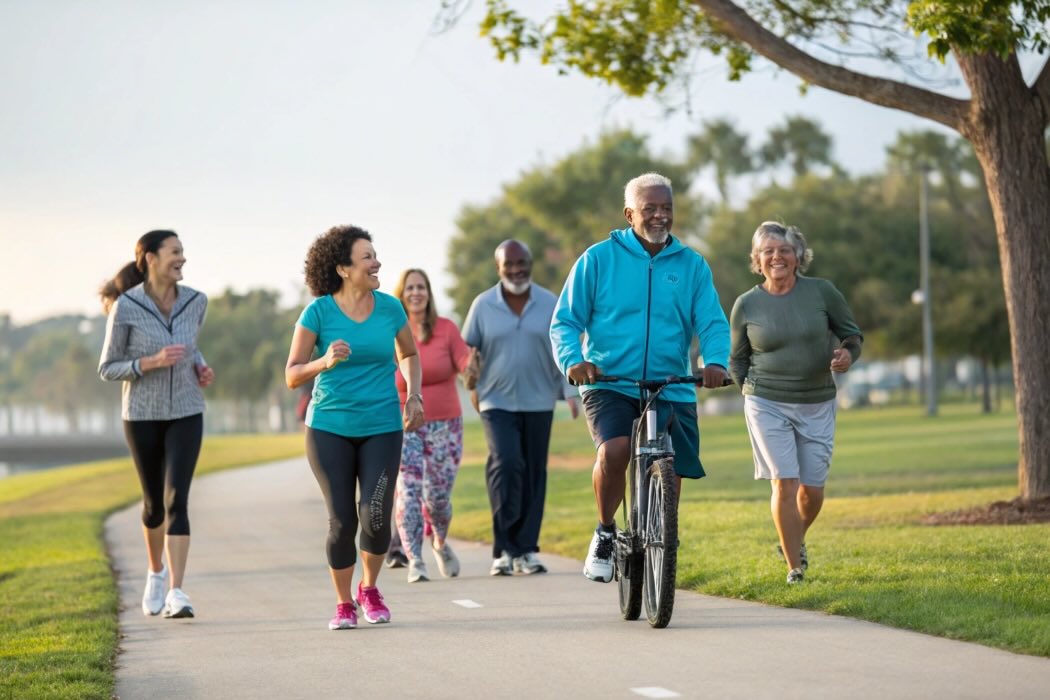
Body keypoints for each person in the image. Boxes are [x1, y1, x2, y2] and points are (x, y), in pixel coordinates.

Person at [550, 172, 730, 584]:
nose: (660, 215)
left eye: (667, 207)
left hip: (672, 382)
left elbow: (712, 321)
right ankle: (605, 531)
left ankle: (664, 538)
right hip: (610, 381)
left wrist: (715, 361)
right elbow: (564, 322)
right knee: (615, 451)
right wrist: (573, 362)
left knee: (674, 465)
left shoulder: (692, 265)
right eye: (650, 208)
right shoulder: (598, 259)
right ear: (629, 213)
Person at [284, 225, 423, 630]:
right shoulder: (318, 313)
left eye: (375, 255)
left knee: (376, 514)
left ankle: (370, 588)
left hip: (382, 423)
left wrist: (413, 394)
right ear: (344, 268)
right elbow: (292, 374)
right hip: (328, 427)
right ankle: (344, 603)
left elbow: (409, 353)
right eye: (367, 257)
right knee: (342, 520)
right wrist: (323, 362)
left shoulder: (390, 308)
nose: (376, 262)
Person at [729, 221, 862, 584]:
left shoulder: (823, 293)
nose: (777, 257)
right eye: (768, 251)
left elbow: (852, 336)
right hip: (766, 401)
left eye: (784, 250)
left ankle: (793, 537)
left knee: (812, 490)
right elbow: (737, 359)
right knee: (784, 483)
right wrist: (748, 391)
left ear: (799, 255)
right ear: (757, 259)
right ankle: (794, 568)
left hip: (817, 401)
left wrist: (847, 356)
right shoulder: (747, 304)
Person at [98, 229, 214, 619]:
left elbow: (190, 343)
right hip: (142, 415)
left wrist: (199, 365)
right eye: (175, 252)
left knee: (176, 501)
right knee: (153, 506)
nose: (182, 258)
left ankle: (178, 592)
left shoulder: (197, 301)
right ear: (149, 258)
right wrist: (148, 363)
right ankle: (156, 573)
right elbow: (107, 367)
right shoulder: (126, 307)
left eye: (183, 252)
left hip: (186, 410)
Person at [462, 239, 580, 577]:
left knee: (533, 472)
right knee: (506, 462)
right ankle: (503, 550)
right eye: (508, 265)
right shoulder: (483, 305)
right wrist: (470, 379)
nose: (516, 270)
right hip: (494, 400)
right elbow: (468, 351)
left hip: (539, 399)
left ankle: (526, 549)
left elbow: (563, 349)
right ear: (498, 268)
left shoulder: (549, 303)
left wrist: (569, 392)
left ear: (530, 263)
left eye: (521, 263)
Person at [391, 268, 474, 583]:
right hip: (405, 424)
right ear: (402, 294)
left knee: (438, 498)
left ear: (429, 292)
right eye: (410, 287)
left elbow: (464, 361)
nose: (416, 292)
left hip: (445, 426)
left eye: (421, 287)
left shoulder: (446, 329)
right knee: (409, 491)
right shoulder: (392, 333)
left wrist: (471, 366)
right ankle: (415, 559)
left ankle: (438, 541)